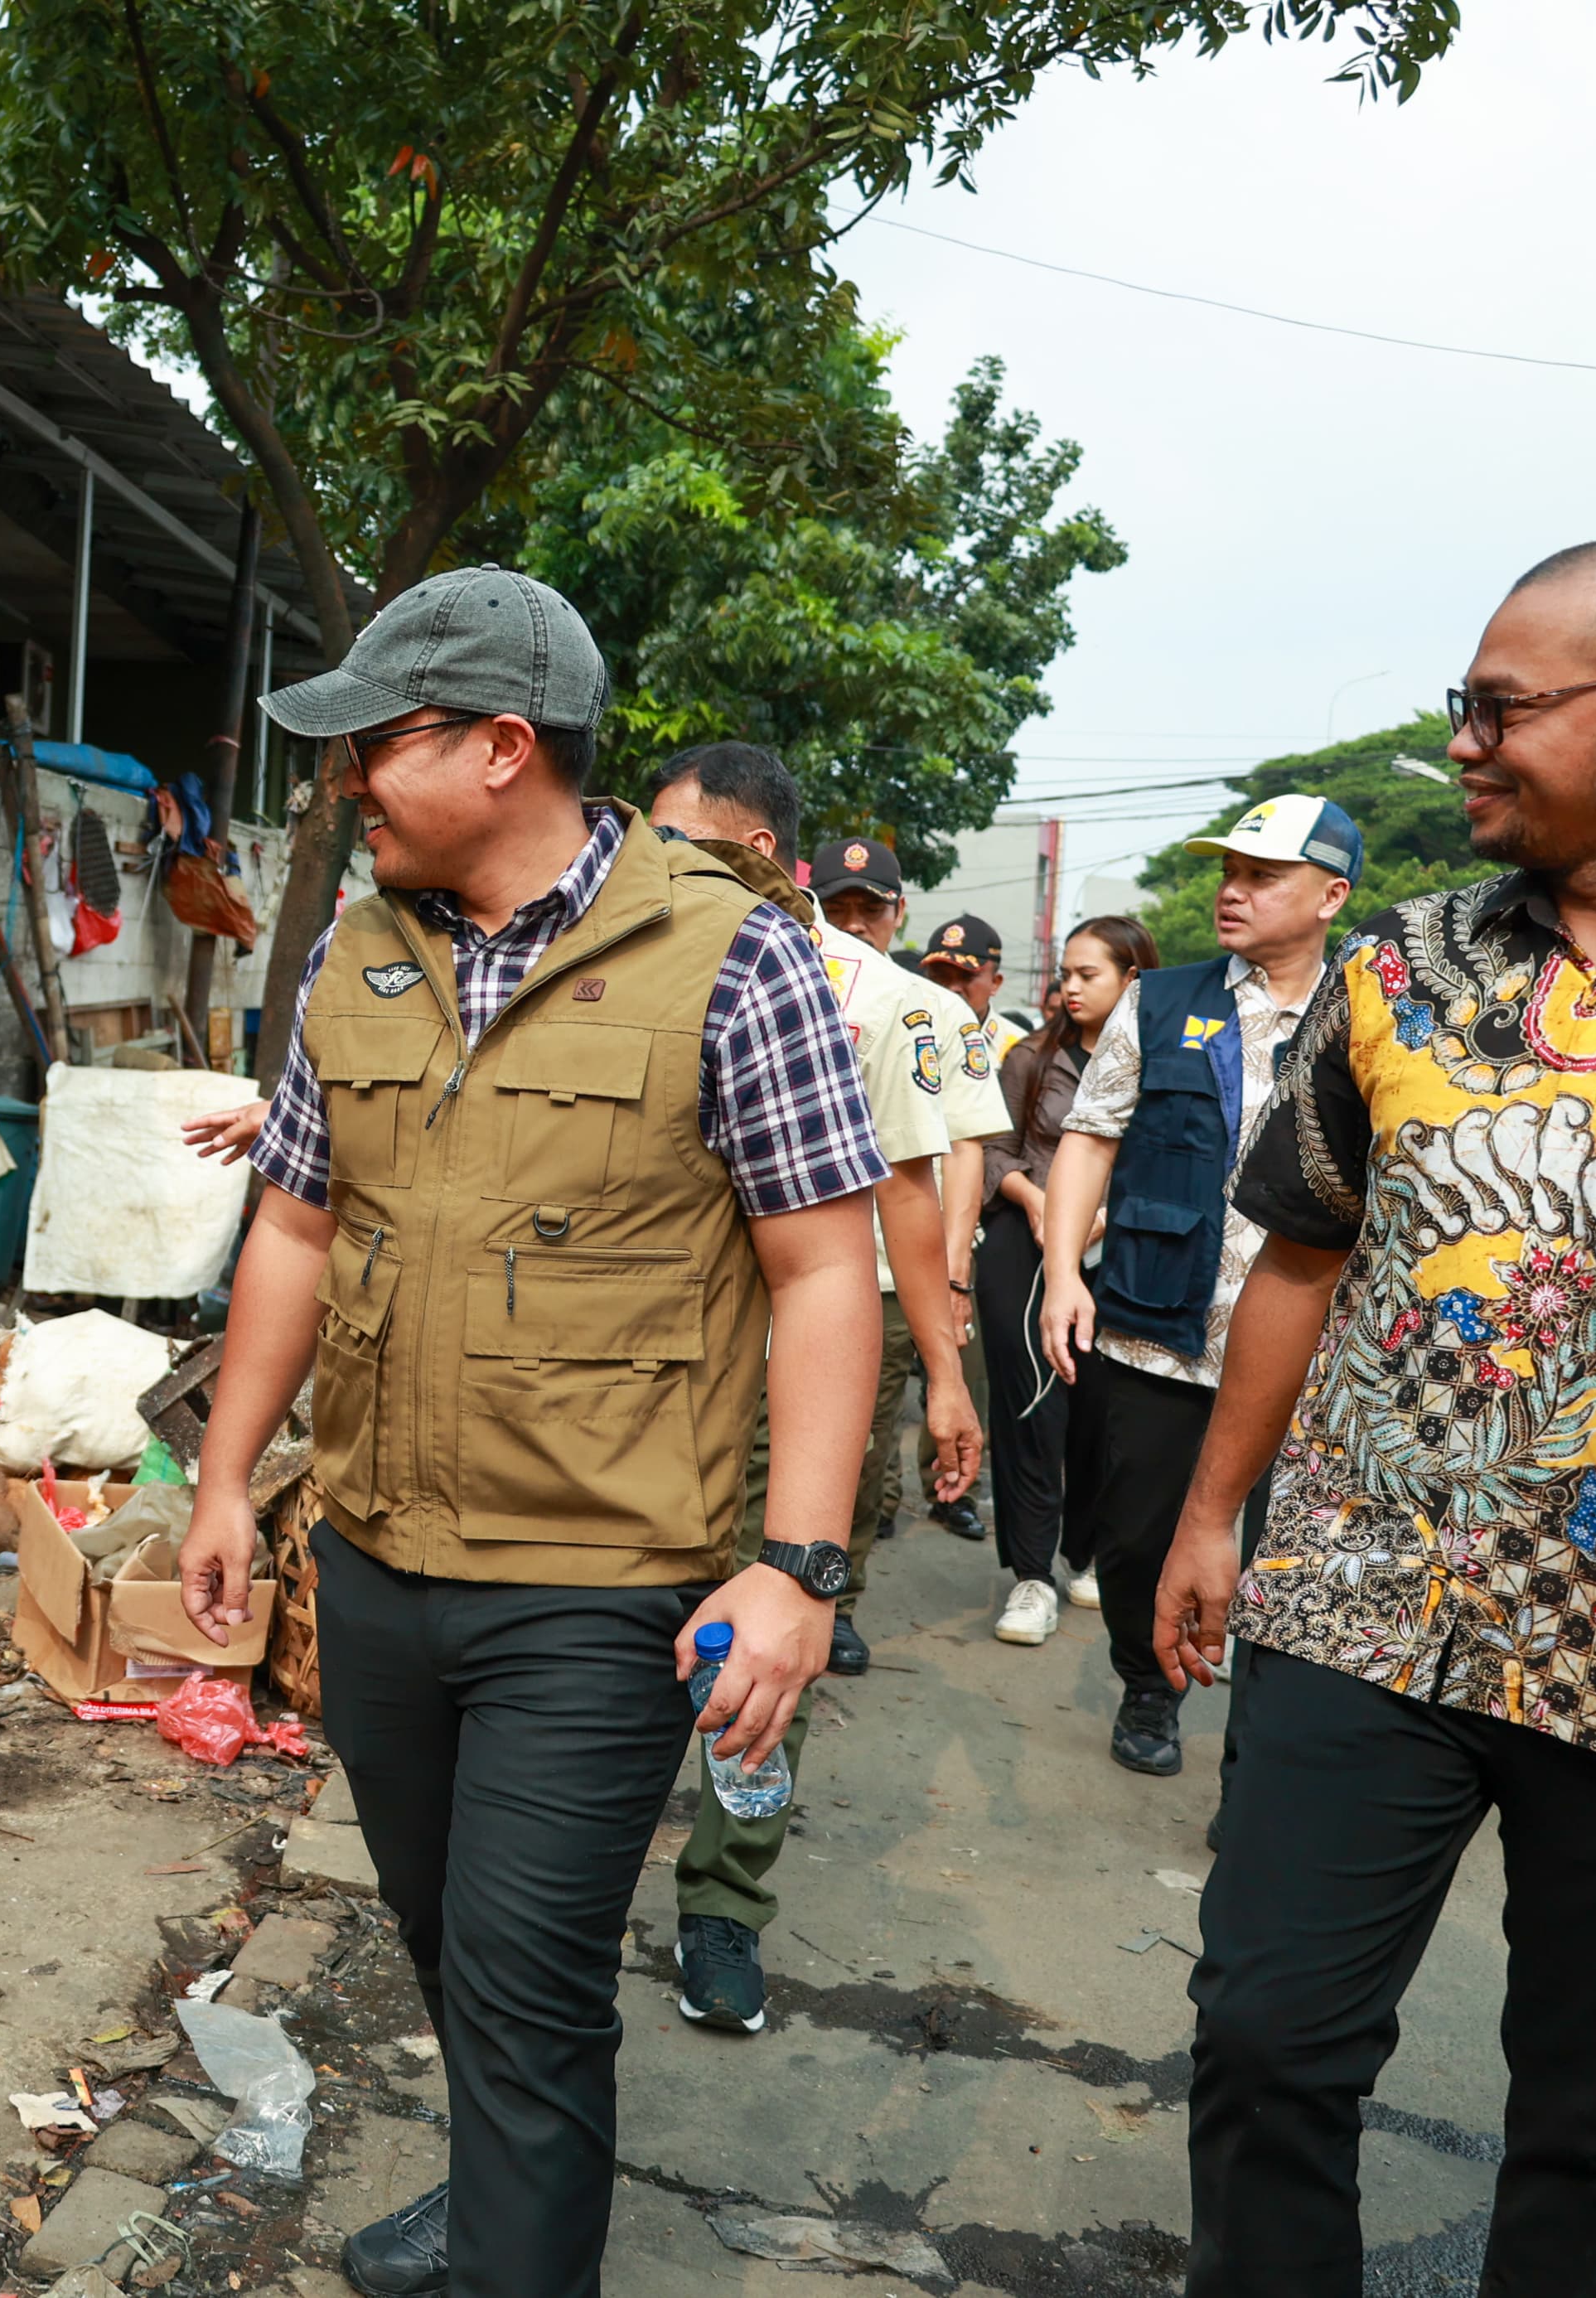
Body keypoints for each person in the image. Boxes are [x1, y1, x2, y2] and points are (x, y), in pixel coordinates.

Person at [171, 573, 891, 2298]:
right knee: (443, 1941)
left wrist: (796, 1564)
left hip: (597, 1579)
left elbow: (820, 1274)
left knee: (522, 1973)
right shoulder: (363, 946)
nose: (348, 781)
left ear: (501, 747)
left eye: (375, 745)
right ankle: (500, 2195)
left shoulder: (734, 955)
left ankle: (516, 2254)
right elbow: (290, 1221)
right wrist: (222, 1479)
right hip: (376, 1561)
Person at [1151, 534, 1596, 2297]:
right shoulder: (1400, 964)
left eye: (1499, 709)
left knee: (1591, 2135)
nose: (1463, 743)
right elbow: (1299, 1255)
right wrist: (1210, 1517)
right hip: (1356, 1600)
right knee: (1263, 2039)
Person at [638, 748, 981, 2038]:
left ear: (771, 863)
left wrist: (945, 1377)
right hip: (633, 1380)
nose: (670, 869)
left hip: (790, 1380)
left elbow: (900, 1197)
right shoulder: (611, 960)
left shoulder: (873, 999)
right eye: (656, 840)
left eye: (702, 850)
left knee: (758, 1651)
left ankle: (724, 1904)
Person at [1038, 793, 1357, 1773]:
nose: (1232, 891)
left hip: (1313, 1353)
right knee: (1134, 1540)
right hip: (1154, 1326)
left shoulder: (1377, 1013)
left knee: (1287, 1568)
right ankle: (1148, 1680)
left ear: (1329, 896)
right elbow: (1088, 1136)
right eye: (1229, 870)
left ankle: (1252, 1765)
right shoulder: (1161, 999)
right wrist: (1060, 1274)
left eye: (1263, 875)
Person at [802, 836, 1000, 1638]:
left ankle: (833, 1599)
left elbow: (955, 1152)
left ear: (897, 913)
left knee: (857, 1447)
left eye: (869, 909)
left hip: (885, 1273)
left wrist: (952, 1273)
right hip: (781, 1260)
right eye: (838, 905)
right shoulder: (786, 984)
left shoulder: (930, 1010)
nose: (853, 922)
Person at [976, 917, 1154, 1643]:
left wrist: (1103, 1217)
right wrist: (1037, 1199)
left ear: (1132, 978)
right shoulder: (1030, 1057)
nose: (1069, 987)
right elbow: (991, 1151)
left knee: (1097, 1417)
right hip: (1025, 1247)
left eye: (1090, 974)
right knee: (1028, 1411)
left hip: (1118, 1254)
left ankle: (1083, 1551)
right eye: (1067, 973)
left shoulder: (1168, 1063)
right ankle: (1028, 1576)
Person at [912, 914, 1021, 1542]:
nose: (953, 985)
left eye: (967, 975)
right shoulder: (911, 1027)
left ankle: (950, 1485)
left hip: (979, 1227)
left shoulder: (1013, 1046)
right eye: (941, 973)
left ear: (994, 980)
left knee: (959, 1369)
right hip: (902, 1218)